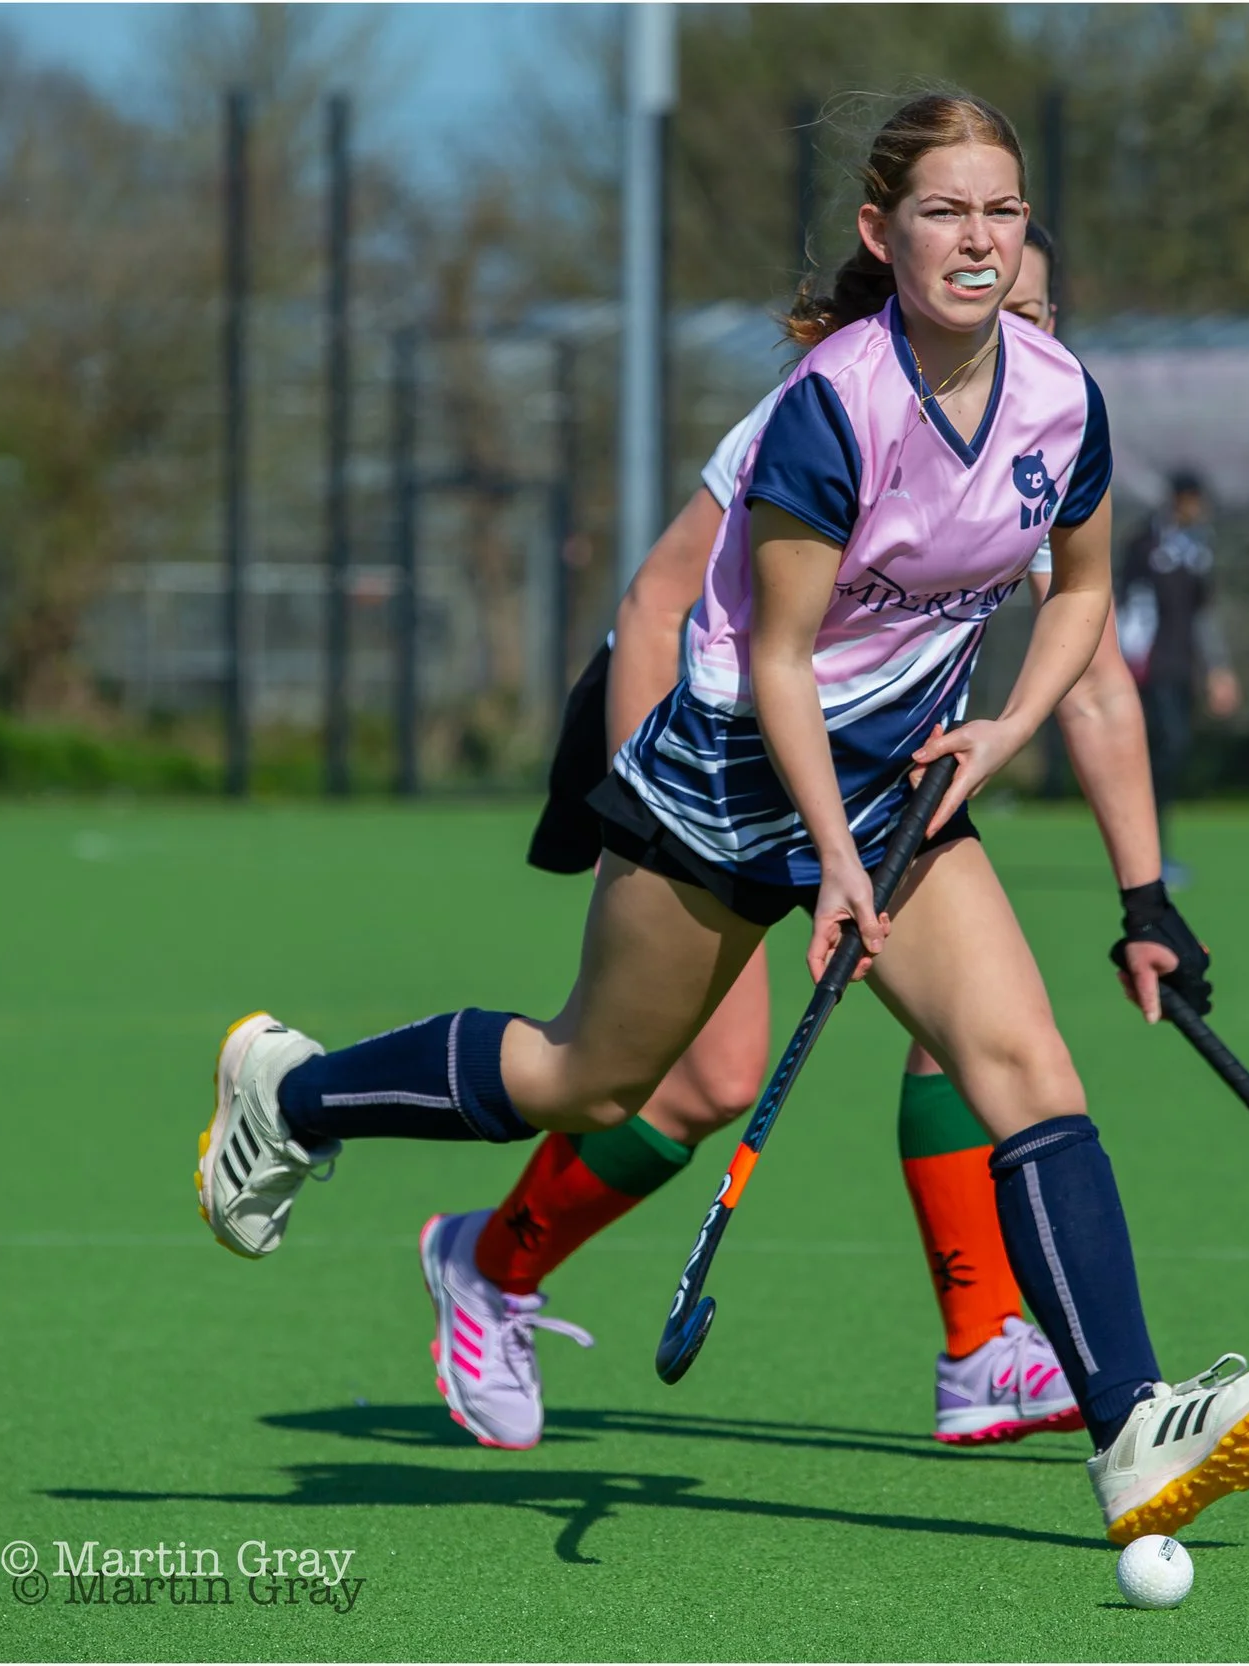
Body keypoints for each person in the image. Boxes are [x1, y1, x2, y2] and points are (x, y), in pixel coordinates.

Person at [193, 93, 1249, 1545]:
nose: (979, 241)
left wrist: (1005, 734)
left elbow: (1085, 600)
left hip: (895, 773)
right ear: (882, 232)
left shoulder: (1060, 397)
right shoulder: (834, 406)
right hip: (729, 771)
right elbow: (774, 657)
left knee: (1025, 1061)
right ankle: (290, 1095)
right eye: (945, 213)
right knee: (590, 1078)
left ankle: (1131, 1431)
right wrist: (835, 862)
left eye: (1002, 213)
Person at [456, 219, 1207, 1457]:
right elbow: (654, 603)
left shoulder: (1038, 431)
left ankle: (982, 1351)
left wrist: (1145, 900)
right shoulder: (825, 416)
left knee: (972, 1030)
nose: (1021, 338)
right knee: (705, 1078)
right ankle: (488, 1265)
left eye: (1038, 313)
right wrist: (662, 827)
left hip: (869, 777)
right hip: (707, 755)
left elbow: (1091, 673)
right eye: (997, 311)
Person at [1114, 472, 1240, 885]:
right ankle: (1144, 856)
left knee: (1170, 755)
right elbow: (1124, 606)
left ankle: (1153, 853)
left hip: (1181, 668)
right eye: (1193, 501)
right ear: (1179, 500)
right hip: (1148, 669)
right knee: (1159, 750)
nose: (1198, 510)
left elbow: (1204, 616)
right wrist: (1121, 663)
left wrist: (1217, 670)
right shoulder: (1144, 545)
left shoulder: (1198, 549)